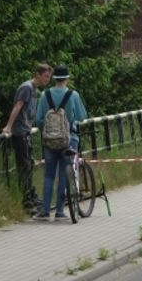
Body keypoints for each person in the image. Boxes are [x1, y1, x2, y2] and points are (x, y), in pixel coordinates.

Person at [33, 65, 88, 221]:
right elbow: (82, 116)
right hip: (69, 139)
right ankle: (59, 211)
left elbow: (38, 119)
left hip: (49, 141)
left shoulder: (45, 95)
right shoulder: (73, 95)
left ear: (54, 78)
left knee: (49, 174)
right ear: (67, 78)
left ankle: (44, 211)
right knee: (64, 174)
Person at [2, 63, 52, 214]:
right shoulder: (27, 88)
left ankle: (31, 194)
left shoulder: (35, 90)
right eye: (45, 76)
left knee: (29, 164)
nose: (47, 80)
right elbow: (17, 106)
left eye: (49, 77)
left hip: (27, 131)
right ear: (37, 74)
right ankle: (27, 200)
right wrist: (9, 126)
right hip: (20, 132)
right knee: (24, 166)